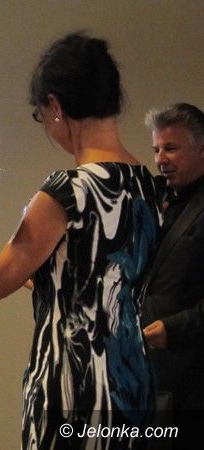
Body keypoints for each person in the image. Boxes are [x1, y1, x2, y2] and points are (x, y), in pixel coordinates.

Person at [0, 32, 161, 449]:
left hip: (72, 380)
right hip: (131, 375)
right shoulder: (148, 184)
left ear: (56, 107)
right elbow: (85, 274)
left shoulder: (67, 189)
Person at [141, 103, 204, 448]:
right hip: (150, 379)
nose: (160, 159)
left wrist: (175, 328)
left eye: (171, 148)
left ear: (201, 149)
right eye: (156, 150)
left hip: (193, 386)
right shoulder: (154, 198)